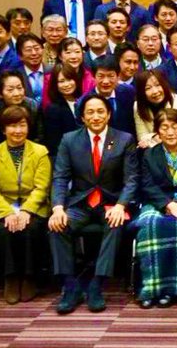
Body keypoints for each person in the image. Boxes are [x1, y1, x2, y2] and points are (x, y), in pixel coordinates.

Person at [48, 94, 139, 314]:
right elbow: (60, 177)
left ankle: (97, 284)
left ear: (108, 114)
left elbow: (131, 179)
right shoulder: (69, 140)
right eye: (90, 112)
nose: (95, 116)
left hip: (111, 203)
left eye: (100, 112)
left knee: (116, 223)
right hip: (80, 204)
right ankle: (70, 286)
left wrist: (121, 205)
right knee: (57, 225)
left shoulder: (124, 139)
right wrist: (58, 208)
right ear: (82, 117)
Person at [0, 102, 50, 304]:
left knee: (31, 229)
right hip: (2, 205)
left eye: (22, 125)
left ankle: (29, 277)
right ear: (4, 129)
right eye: (12, 126)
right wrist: (7, 213)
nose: (18, 130)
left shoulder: (40, 152)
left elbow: (42, 187)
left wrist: (27, 211)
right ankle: (10, 278)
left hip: (33, 205)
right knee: (3, 230)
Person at [133, 69, 177, 148]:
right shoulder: (137, 106)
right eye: (148, 88)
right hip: (151, 151)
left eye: (158, 85)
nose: (155, 91)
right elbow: (142, 137)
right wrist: (154, 137)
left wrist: (152, 139)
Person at [0, 70, 40, 145]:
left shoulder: (32, 106)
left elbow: (39, 137)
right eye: (10, 90)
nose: (17, 93)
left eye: (19, 88)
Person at [40, 37, 95, 109]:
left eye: (77, 52)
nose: (73, 56)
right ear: (60, 56)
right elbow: (46, 105)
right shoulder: (50, 77)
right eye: (68, 52)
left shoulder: (89, 76)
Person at [40, 63, 82, 156]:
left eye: (69, 79)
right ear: (55, 84)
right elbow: (54, 144)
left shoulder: (82, 101)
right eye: (61, 81)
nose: (66, 84)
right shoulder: (53, 109)